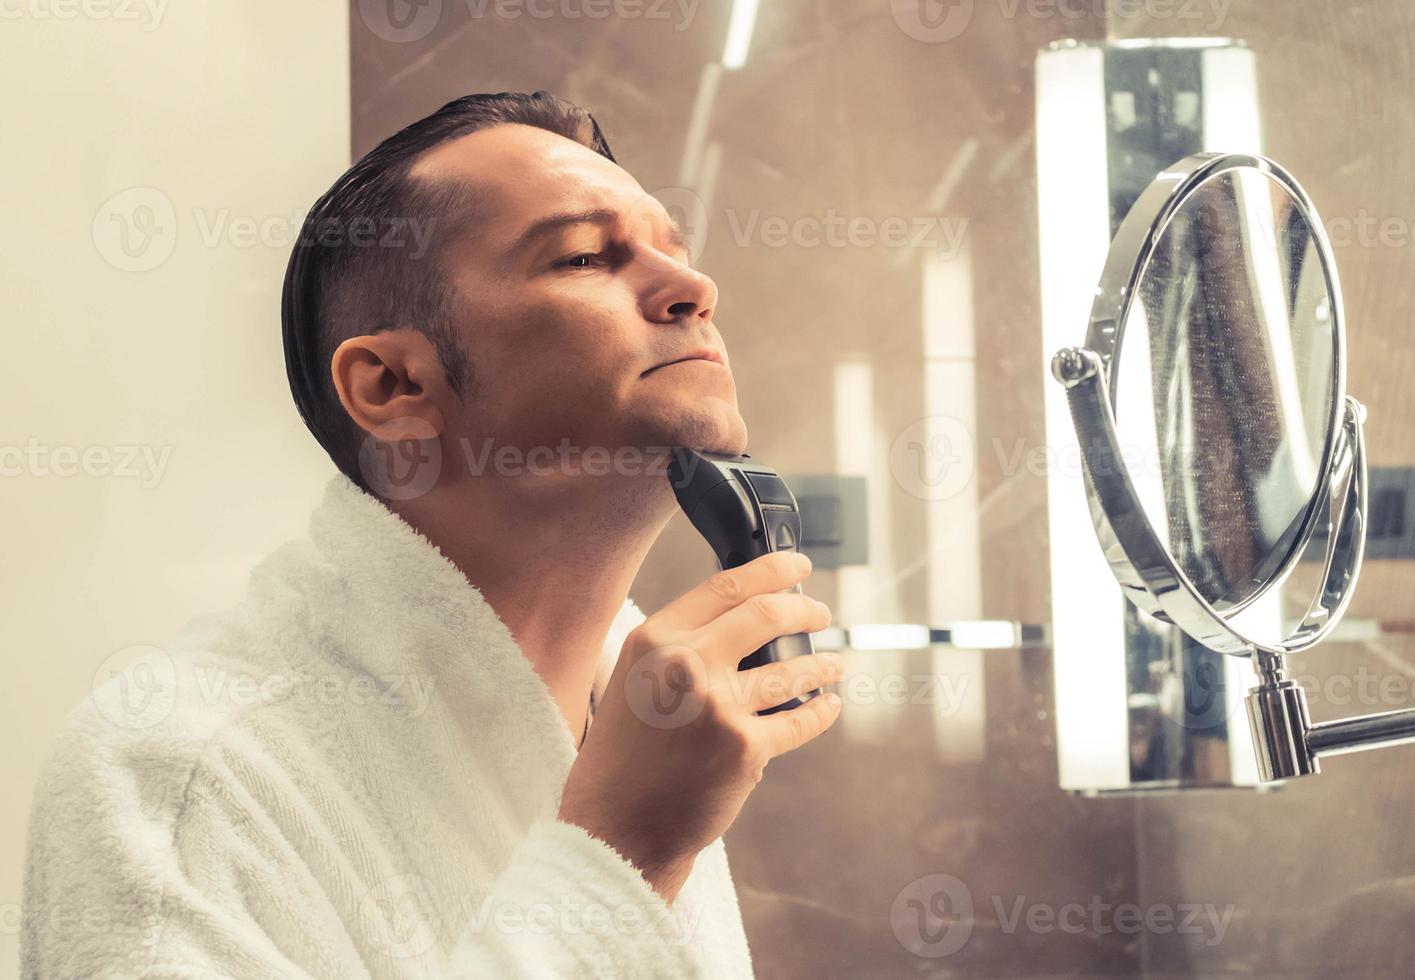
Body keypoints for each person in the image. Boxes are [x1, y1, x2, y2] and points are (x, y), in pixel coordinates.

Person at [21, 91, 844, 978]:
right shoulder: (177, 776)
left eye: (673, 252)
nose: (694, 288)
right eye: (581, 256)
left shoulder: (641, 734)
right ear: (393, 386)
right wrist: (623, 853)